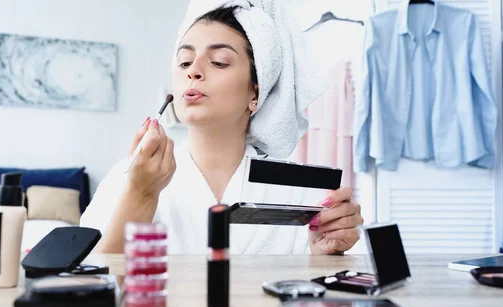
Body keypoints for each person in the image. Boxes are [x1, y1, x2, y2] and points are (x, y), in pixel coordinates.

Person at [81, 2, 363, 255]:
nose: (193, 71)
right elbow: (87, 287)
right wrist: (139, 194)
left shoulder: (298, 192)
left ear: (256, 93)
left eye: (218, 62)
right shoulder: (127, 178)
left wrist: (321, 254)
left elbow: (314, 295)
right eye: (184, 62)